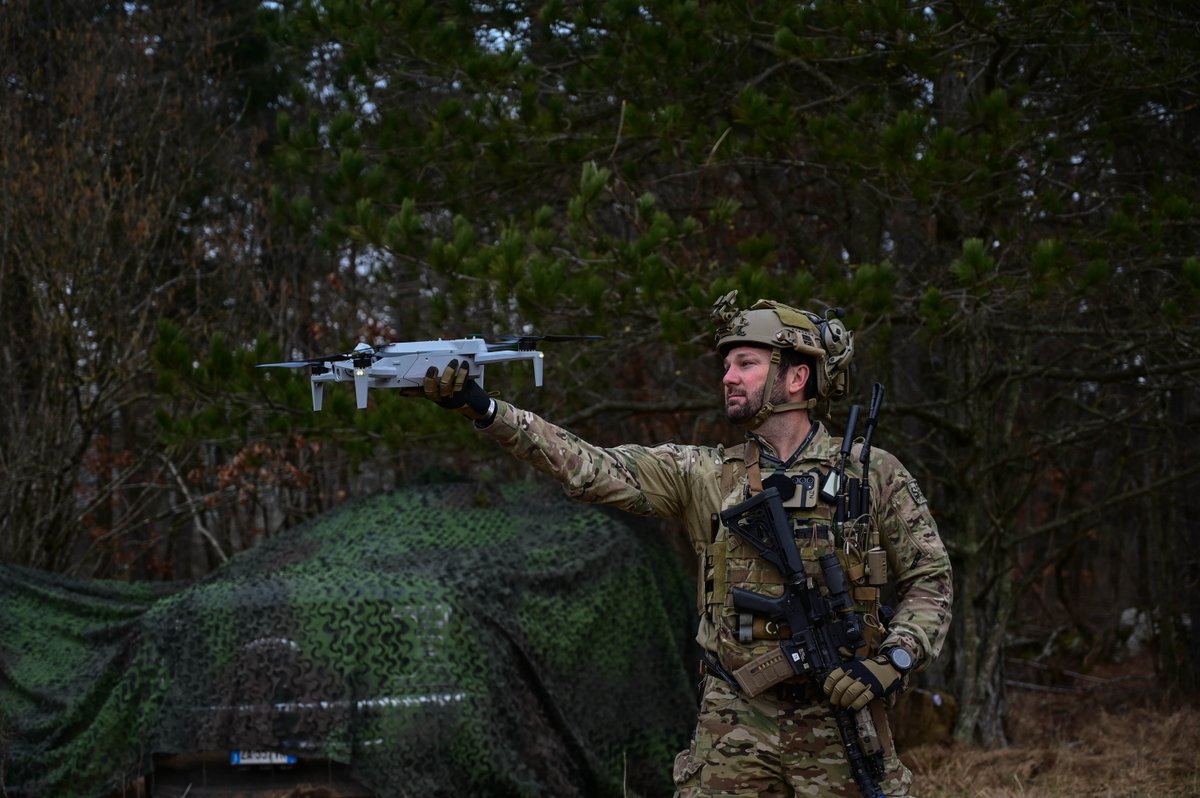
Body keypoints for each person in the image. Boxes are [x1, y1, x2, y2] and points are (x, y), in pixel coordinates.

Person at [420, 291, 953, 798]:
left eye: (746, 363)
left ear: (797, 377)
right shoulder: (704, 474)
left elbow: (930, 580)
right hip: (734, 724)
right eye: (727, 365)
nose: (728, 377)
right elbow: (591, 466)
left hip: (841, 715)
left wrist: (893, 660)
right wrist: (485, 409)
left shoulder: (872, 474)